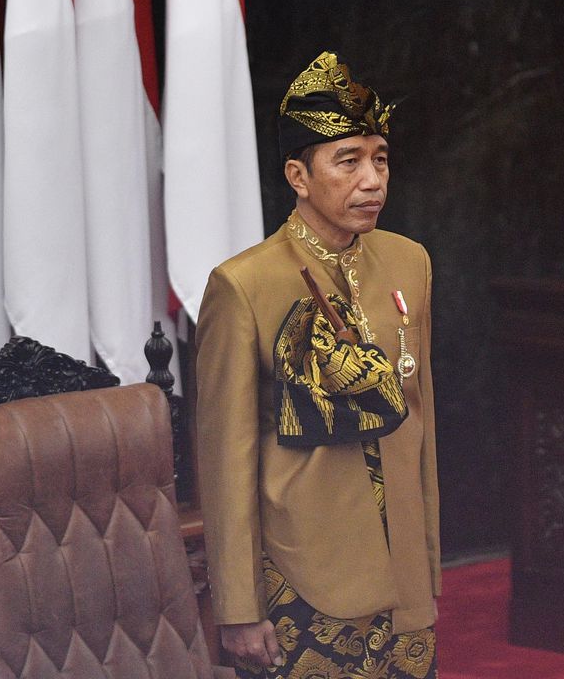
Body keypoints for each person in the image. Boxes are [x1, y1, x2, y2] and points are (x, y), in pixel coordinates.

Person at [195, 52, 440, 678]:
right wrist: (237, 605)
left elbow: (421, 415)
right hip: (302, 567)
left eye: (380, 158)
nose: (373, 180)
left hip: (402, 561)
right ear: (298, 177)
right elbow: (226, 458)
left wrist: (429, 557)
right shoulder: (243, 285)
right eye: (349, 161)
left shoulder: (408, 261)